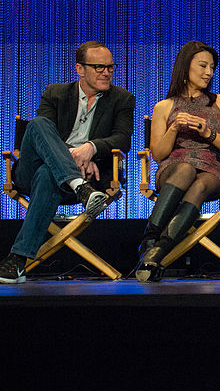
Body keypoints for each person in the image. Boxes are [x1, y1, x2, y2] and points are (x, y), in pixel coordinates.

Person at [0, 41, 135, 284]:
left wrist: (91, 148)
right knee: (38, 124)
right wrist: (76, 155)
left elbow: (122, 139)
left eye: (110, 67)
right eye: (98, 67)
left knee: (46, 173)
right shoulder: (55, 93)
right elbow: (43, 136)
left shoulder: (122, 99)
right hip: (37, 174)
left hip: (83, 178)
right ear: (80, 69)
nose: (106, 72)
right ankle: (77, 184)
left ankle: (17, 260)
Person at [137, 41, 220, 282]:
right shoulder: (164, 107)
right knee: (185, 169)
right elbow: (158, 154)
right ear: (185, 67)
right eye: (203, 66)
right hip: (173, 168)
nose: (209, 72)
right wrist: (174, 128)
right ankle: (154, 242)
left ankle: (154, 246)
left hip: (210, 169)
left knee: (200, 184)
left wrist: (209, 134)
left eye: (212, 67)